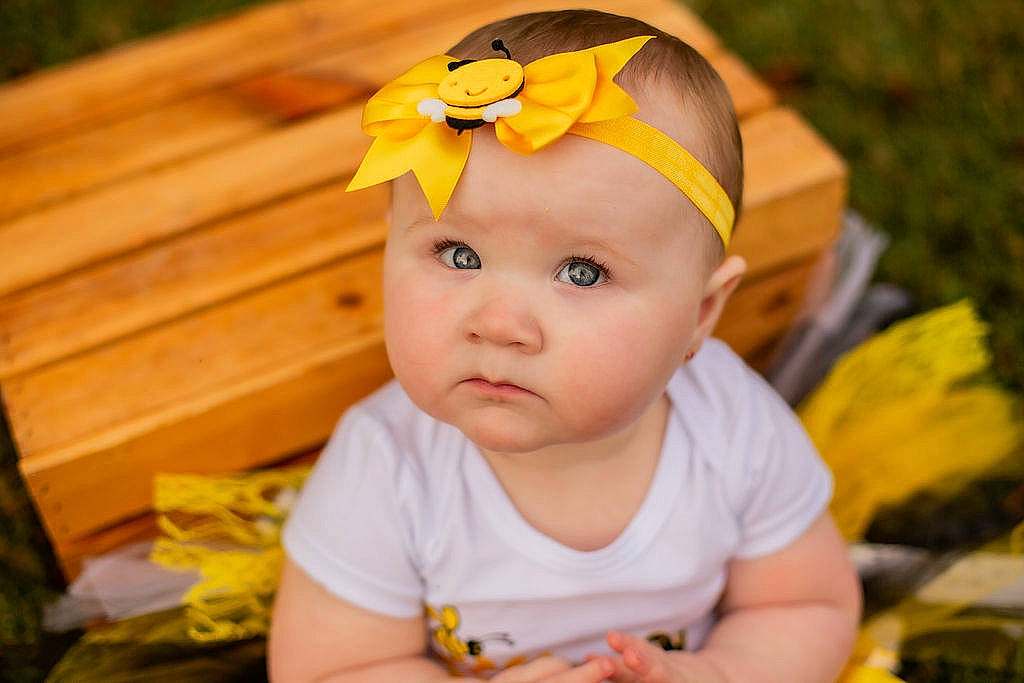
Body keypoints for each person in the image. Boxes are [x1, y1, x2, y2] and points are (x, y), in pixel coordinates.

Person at [269, 9, 861, 682]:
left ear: (700, 313)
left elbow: (806, 603)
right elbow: (329, 668)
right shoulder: (389, 467)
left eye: (583, 271)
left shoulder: (734, 429)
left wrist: (723, 672)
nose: (499, 324)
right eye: (457, 253)